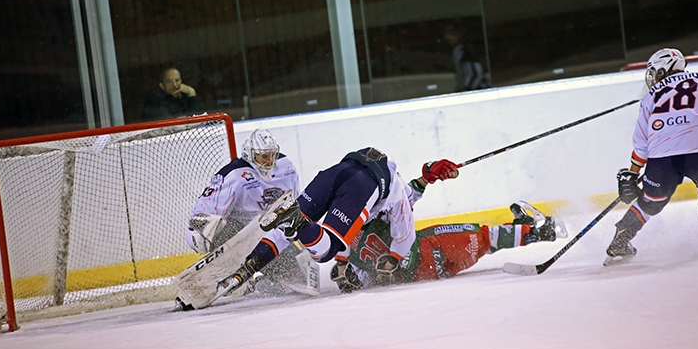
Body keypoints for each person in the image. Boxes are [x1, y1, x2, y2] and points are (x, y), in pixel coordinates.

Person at [258, 148, 462, 291]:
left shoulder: (391, 201)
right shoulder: (393, 202)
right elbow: (405, 211)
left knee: (329, 246)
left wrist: (427, 179)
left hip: (365, 233)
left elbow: (406, 200)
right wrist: (427, 178)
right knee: (330, 248)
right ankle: (295, 231)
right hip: (371, 239)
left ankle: (288, 240)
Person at [605, 47, 698, 266]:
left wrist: (632, 174)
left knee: (650, 201)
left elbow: (641, 143)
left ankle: (621, 238)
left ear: (665, 68)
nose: (653, 76)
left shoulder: (650, 96)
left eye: (655, 71)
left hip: (662, 156)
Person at [335, 201, 566, 292]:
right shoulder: (369, 214)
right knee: (479, 238)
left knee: (478, 246)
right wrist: (426, 178)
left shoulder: (342, 250)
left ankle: (519, 229)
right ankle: (538, 232)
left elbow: (365, 280)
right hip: (426, 247)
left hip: (423, 274)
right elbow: (403, 199)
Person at [183, 128, 301, 300]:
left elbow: (294, 202)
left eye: (272, 155)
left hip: (271, 231)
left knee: (298, 276)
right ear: (250, 154)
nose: (269, 161)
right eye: (263, 156)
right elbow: (207, 209)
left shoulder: (286, 167)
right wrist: (200, 229)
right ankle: (232, 273)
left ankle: (260, 279)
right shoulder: (235, 174)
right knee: (223, 231)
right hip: (238, 235)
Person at [444, 25, 490, 92]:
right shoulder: (456, 50)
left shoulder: (465, 50)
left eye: (451, 34)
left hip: (477, 90)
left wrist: (468, 88)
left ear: (459, 35)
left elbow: (477, 74)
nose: (448, 37)